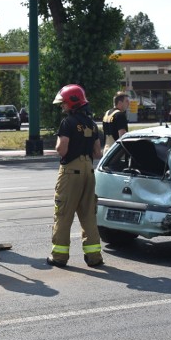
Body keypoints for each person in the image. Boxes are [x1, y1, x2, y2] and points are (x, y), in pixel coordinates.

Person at [47, 84, 104, 268]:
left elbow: (61, 149)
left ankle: (59, 257)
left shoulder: (68, 123)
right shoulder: (92, 124)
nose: (62, 106)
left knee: (63, 215)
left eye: (64, 103)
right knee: (88, 215)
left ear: (72, 102)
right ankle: (94, 257)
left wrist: (61, 145)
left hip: (71, 172)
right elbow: (98, 153)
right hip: (89, 171)